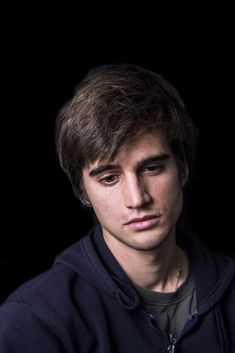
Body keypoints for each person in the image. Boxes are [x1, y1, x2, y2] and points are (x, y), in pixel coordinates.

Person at [0, 63, 234, 353]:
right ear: (83, 191)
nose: (137, 199)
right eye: (109, 178)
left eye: (152, 168)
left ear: (182, 169)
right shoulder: (35, 319)